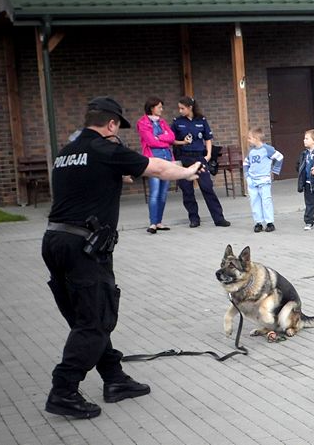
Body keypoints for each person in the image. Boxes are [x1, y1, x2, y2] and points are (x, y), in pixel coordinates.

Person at [42, 96, 201, 419]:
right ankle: (63, 390)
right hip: (84, 247)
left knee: (89, 316)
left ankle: (114, 378)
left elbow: (90, 183)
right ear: (111, 124)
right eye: (117, 128)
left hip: (55, 241)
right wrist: (186, 172)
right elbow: (156, 166)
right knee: (95, 321)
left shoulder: (67, 152)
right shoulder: (105, 149)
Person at [171, 96, 230, 228]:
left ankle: (219, 218)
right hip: (184, 158)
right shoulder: (177, 122)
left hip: (199, 157)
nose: (180, 111)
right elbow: (171, 140)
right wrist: (182, 142)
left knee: (207, 187)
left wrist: (208, 154)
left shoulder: (201, 120)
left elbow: (208, 138)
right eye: (179, 108)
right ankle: (194, 219)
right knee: (187, 190)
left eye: (182, 108)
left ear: (190, 107)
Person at [136, 96, 176, 234]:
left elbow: (172, 137)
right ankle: (153, 223)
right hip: (153, 161)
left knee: (163, 193)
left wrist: (159, 138)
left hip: (166, 159)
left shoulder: (162, 122)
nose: (161, 109)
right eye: (159, 107)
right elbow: (150, 142)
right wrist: (163, 139)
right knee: (155, 192)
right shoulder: (142, 123)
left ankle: (159, 222)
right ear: (152, 108)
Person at [244, 127, 284, 232]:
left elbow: (279, 157)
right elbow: (246, 162)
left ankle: (269, 222)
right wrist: (247, 175)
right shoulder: (251, 151)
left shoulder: (267, 149)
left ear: (256, 138)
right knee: (254, 201)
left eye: (250, 138)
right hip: (252, 180)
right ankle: (258, 222)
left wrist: (274, 170)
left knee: (266, 201)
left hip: (264, 180)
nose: (248, 140)